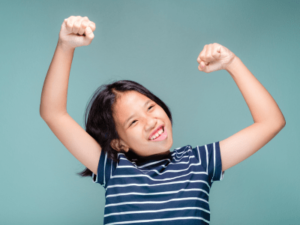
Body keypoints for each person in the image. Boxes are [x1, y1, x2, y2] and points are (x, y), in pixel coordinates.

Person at [40, 15, 286, 225]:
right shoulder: (113, 168)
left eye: (150, 106)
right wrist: (65, 47)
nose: (151, 121)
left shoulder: (197, 162)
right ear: (118, 144)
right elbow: (53, 113)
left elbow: (271, 122)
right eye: (133, 122)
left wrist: (233, 63)